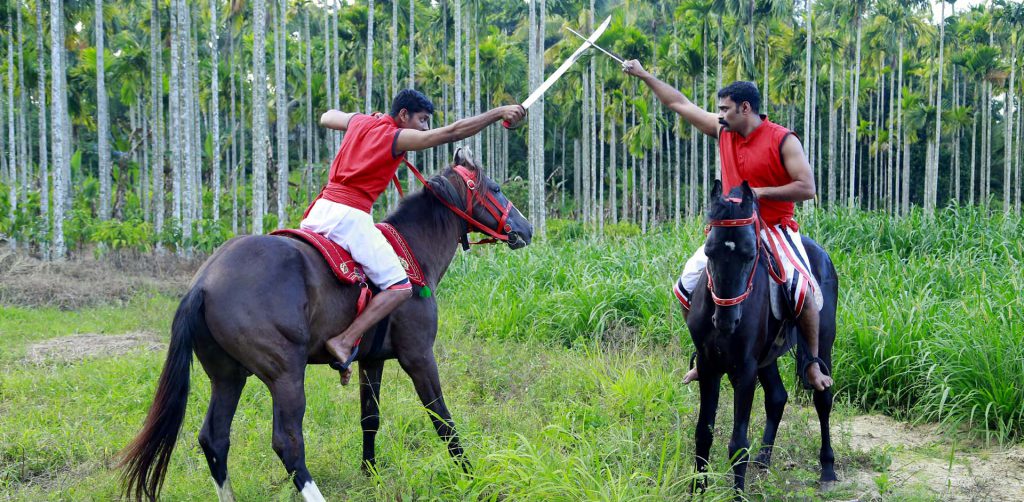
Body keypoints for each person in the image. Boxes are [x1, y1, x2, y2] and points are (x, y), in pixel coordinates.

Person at [622, 60, 833, 391]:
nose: (719, 114)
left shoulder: (783, 140)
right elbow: (679, 103)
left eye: (725, 109)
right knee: (686, 285)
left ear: (745, 108)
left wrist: (759, 192)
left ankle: (811, 364)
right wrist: (645, 75)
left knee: (803, 290)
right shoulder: (724, 130)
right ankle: (704, 353)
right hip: (731, 230)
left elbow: (807, 188)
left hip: (774, 227)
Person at [302, 88, 524, 385]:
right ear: (403, 115)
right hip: (349, 216)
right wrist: (498, 113)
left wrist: (365, 120)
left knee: (352, 281)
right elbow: (453, 132)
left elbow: (327, 116)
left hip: (318, 214)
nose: (425, 128)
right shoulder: (395, 136)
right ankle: (345, 340)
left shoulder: (362, 122)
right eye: (422, 120)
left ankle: (354, 343)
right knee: (399, 286)